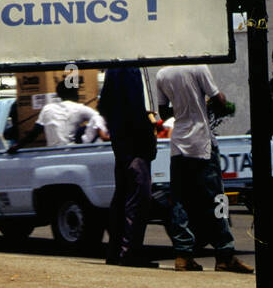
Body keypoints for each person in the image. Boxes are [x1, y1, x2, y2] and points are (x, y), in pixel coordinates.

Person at [156, 65, 252, 273]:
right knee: (217, 199)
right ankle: (225, 255)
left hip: (178, 145)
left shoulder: (162, 74)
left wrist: (182, 108)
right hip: (202, 144)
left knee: (179, 201)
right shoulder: (198, 67)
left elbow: (163, 112)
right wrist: (207, 105)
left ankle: (183, 255)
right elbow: (219, 100)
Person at [98, 66, 160, 267]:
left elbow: (104, 105)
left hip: (121, 143)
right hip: (136, 145)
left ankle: (114, 252)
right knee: (138, 199)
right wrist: (148, 138)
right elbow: (134, 109)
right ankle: (130, 252)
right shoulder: (131, 69)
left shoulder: (112, 70)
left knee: (122, 197)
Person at [13, 82, 97, 148]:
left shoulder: (47, 109)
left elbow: (35, 133)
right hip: (72, 151)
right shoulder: (79, 108)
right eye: (77, 92)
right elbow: (99, 119)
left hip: (52, 151)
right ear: (74, 93)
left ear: (58, 95)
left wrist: (18, 146)